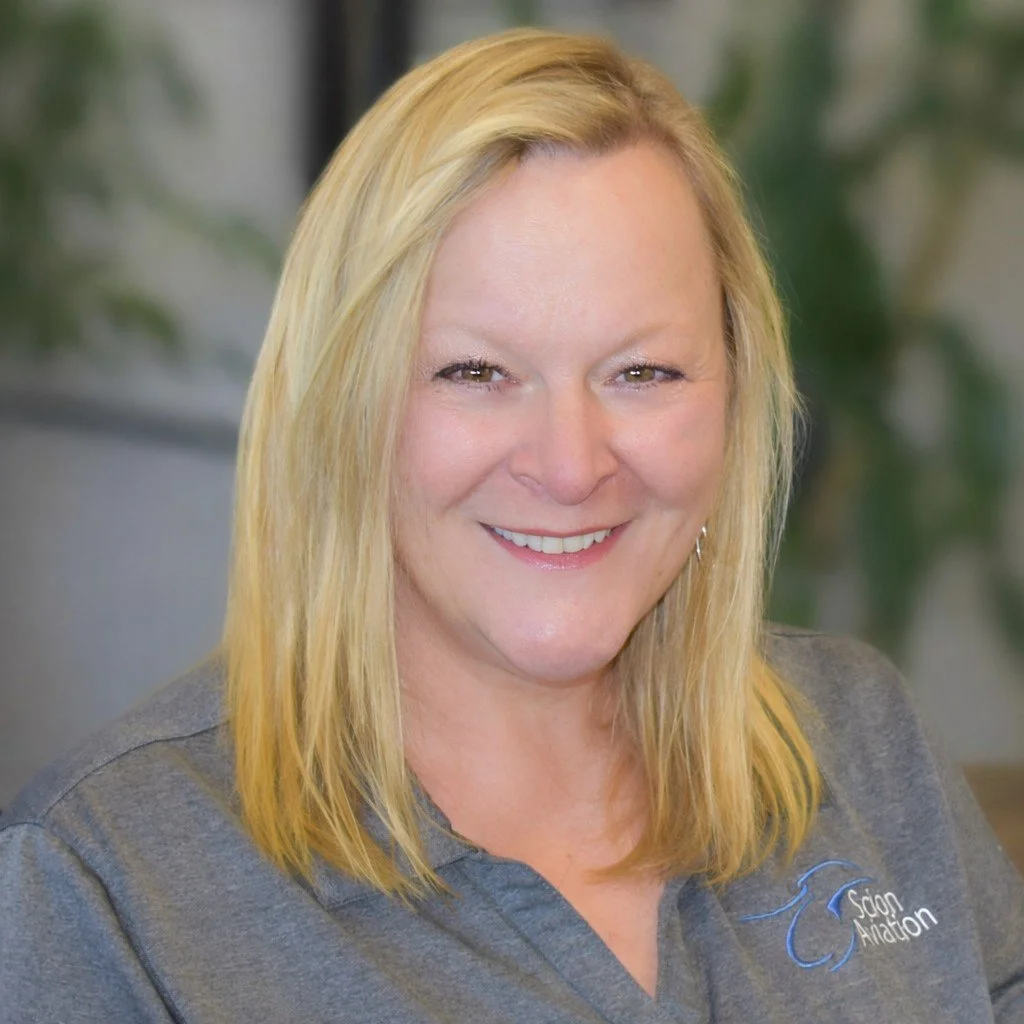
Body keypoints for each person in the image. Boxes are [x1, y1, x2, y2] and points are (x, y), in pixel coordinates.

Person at [1, 28, 1022, 1023]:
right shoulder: (103, 888)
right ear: (339, 408)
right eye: (476, 373)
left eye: (643, 372)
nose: (570, 465)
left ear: (734, 397)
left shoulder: (863, 742)